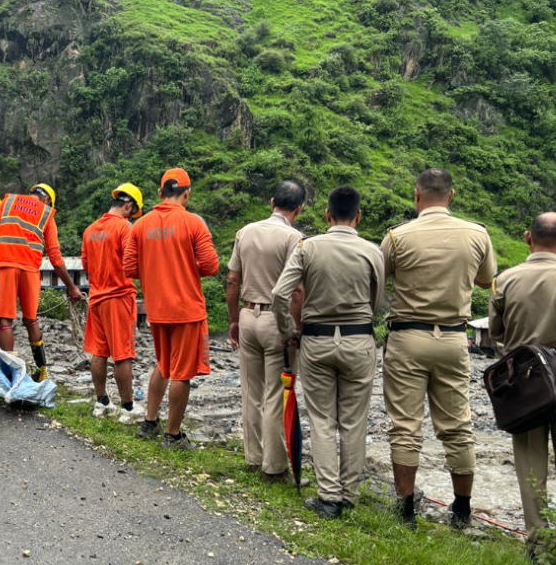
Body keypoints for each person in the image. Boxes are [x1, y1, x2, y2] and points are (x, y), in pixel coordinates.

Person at [382, 168, 496, 529]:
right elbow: (485, 279)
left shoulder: (397, 237)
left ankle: (406, 511)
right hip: (452, 338)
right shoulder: (477, 234)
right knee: (458, 425)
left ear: (417, 196)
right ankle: (461, 510)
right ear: (451, 195)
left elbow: (378, 276)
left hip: (407, 337)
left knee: (405, 425)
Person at [272, 186, 385, 519]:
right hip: (358, 340)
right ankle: (349, 495)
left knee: (322, 420)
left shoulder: (308, 247)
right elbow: (376, 302)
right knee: (354, 421)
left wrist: (288, 331)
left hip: (317, 341)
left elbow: (281, 294)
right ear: (359, 216)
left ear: (327, 215)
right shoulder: (372, 251)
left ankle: (328, 497)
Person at [489, 213, 556, 544]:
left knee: (530, 468)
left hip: (523, 385)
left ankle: (538, 543)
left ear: (527, 238)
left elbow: (496, 335)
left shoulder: (505, 280)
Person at [123, 168, 219, 449]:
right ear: (187, 194)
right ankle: (173, 435)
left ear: (159, 193)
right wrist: (184, 269)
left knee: (164, 365)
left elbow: (129, 268)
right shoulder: (194, 223)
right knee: (181, 372)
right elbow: (211, 266)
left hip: (156, 309)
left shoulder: (139, 226)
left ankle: (149, 421)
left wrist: (157, 271)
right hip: (186, 309)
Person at [225, 181, 306, 481]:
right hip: (276, 320)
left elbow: (233, 280)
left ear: (272, 202)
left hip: (247, 314)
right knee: (275, 393)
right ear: (299, 208)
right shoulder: (294, 238)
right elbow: (296, 292)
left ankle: (253, 457)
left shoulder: (245, 231)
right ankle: (274, 468)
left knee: (251, 391)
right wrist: (293, 328)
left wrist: (234, 320)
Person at [0, 183, 83, 380]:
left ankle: (8, 376)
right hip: (30, 271)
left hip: (6, 265)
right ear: (47, 200)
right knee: (31, 320)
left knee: (5, 320)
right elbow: (54, 256)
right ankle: (42, 371)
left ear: (31, 193)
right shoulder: (47, 213)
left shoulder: (8, 201)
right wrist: (71, 287)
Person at [82, 183, 144, 424]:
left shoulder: (90, 230)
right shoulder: (125, 228)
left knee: (99, 352)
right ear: (128, 206)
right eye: (132, 211)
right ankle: (127, 409)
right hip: (118, 297)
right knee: (122, 355)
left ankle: (102, 403)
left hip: (96, 297)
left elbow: (86, 266)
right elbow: (131, 264)